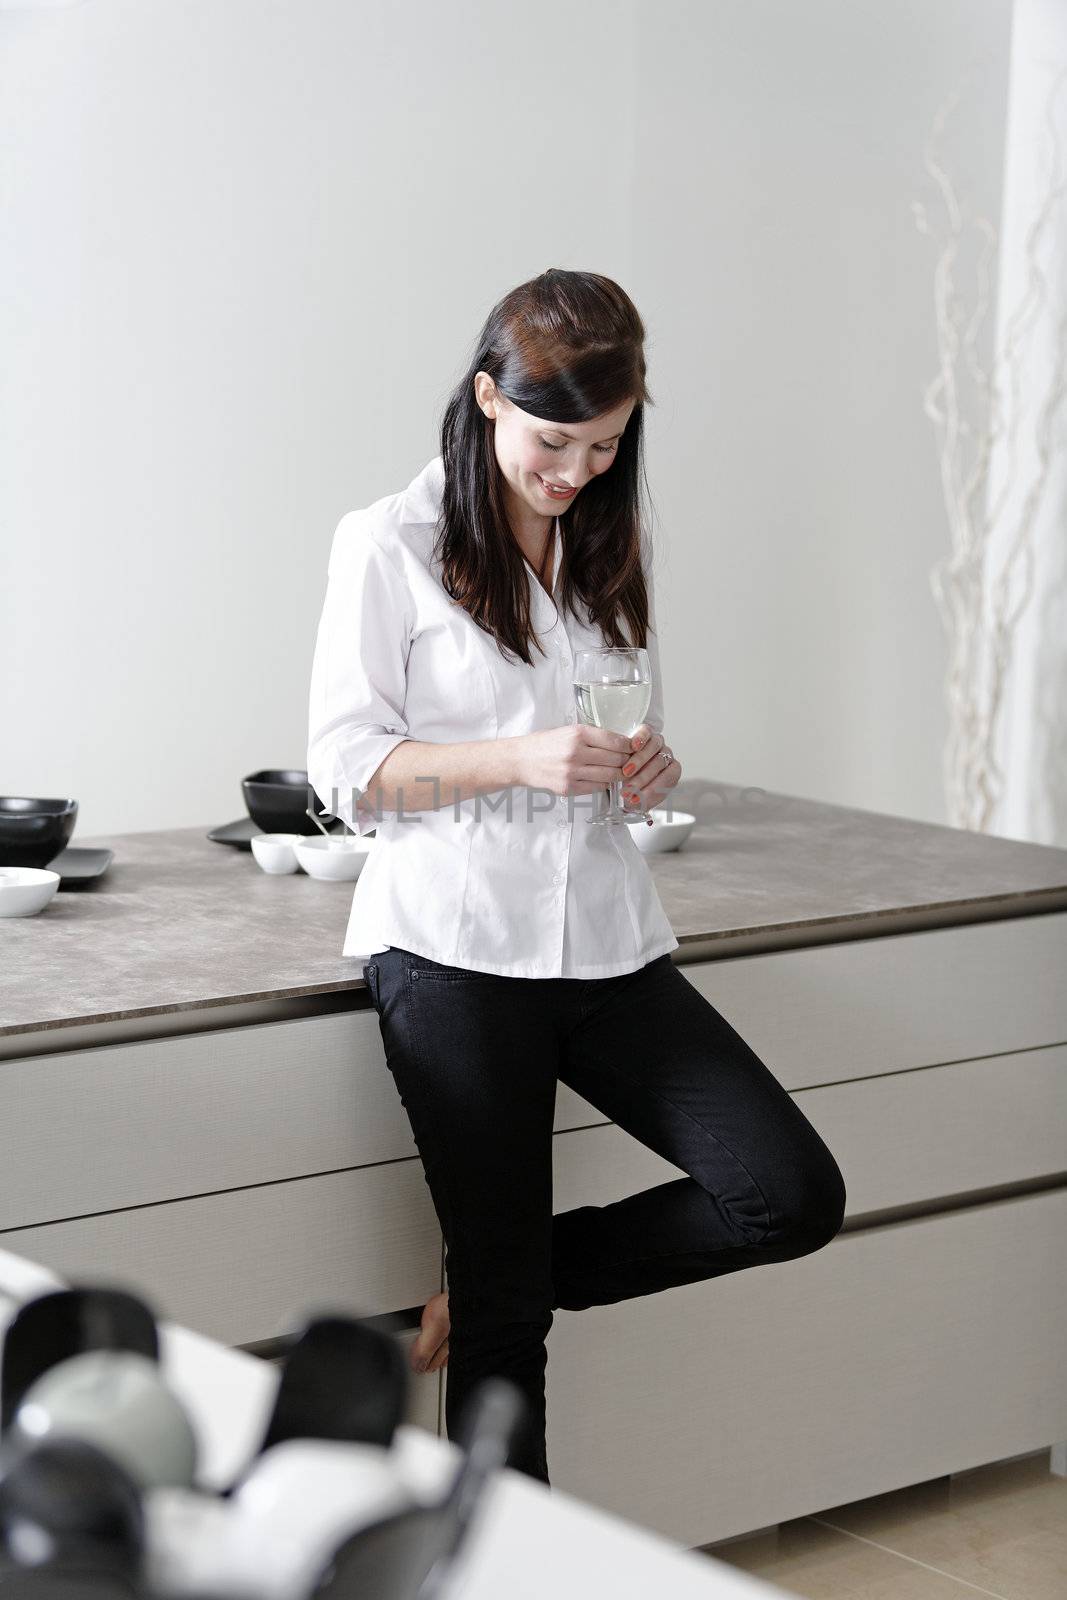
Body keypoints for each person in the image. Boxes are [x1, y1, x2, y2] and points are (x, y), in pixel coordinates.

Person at [307, 268, 847, 1486]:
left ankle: (504, 1264)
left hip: (608, 945)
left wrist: (636, 766)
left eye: (605, 447)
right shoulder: (387, 544)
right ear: (488, 400)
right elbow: (345, 770)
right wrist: (518, 758)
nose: (576, 473)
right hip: (452, 949)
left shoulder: (607, 540)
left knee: (787, 1192)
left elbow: (608, 735)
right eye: (556, 442)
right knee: (507, 1339)